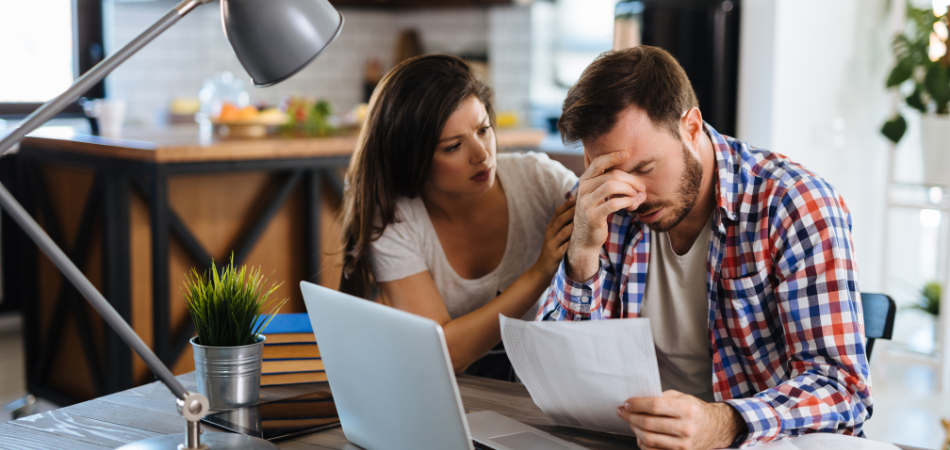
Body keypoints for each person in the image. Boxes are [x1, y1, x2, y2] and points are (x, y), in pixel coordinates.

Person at [538, 46, 871, 449]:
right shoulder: (600, 203)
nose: (632, 197)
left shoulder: (794, 204)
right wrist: (582, 255)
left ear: (692, 128)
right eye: (610, 173)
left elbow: (842, 389)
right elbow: (557, 372)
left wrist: (722, 423)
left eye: (646, 168)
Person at [340, 54, 578, 380]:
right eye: (453, 146)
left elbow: (608, 219)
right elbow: (443, 354)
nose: (482, 154)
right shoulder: (394, 219)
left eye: (483, 129)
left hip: (542, 381)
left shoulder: (539, 179)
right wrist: (540, 272)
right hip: (449, 393)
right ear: (411, 157)